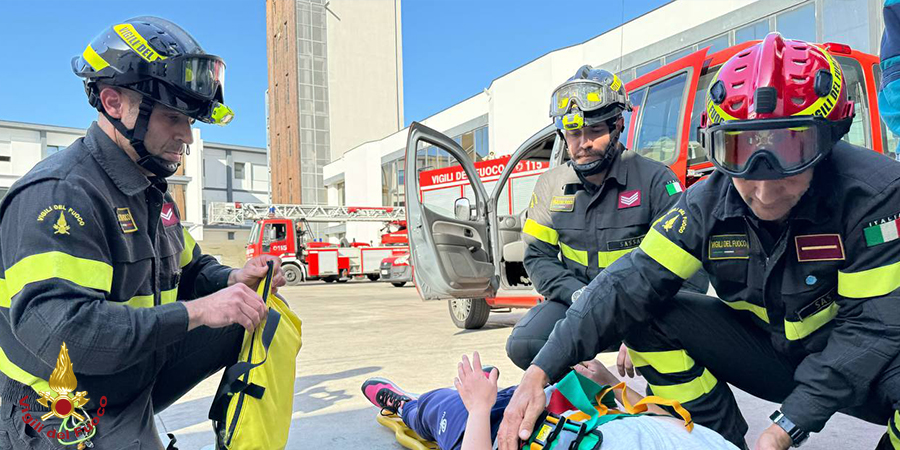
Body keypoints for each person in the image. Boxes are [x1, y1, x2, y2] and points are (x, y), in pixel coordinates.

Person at [498, 33, 900, 450]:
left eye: (791, 152)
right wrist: (539, 373)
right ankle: (716, 443)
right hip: (771, 352)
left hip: (859, 362)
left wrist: (785, 427)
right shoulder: (705, 203)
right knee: (647, 315)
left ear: (829, 139)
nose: (763, 191)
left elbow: (870, 331)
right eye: (740, 156)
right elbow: (625, 284)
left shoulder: (876, 195)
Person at [0, 17, 285, 448]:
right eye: (174, 116)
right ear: (114, 103)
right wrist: (198, 312)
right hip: (60, 402)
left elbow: (191, 268)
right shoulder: (62, 194)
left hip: (127, 372)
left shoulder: (150, 189)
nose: (188, 136)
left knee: (255, 314)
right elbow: (61, 335)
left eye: (190, 119)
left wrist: (231, 280)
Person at [507, 65, 707, 373]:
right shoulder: (549, 187)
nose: (582, 143)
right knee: (525, 343)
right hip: (578, 303)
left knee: (681, 340)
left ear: (618, 125)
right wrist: (579, 295)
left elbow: (691, 268)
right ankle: (593, 396)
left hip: (643, 307)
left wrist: (647, 323)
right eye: (573, 133)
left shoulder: (655, 180)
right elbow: (537, 258)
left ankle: (675, 410)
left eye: (594, 131)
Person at [361, 352, 738, 450]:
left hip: (491, 436)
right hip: (565, 409)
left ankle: (405, 404)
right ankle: (488, 391)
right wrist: (610, 385)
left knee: (437, 407)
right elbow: (665, 419)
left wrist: (478, 408)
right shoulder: (714, 444)